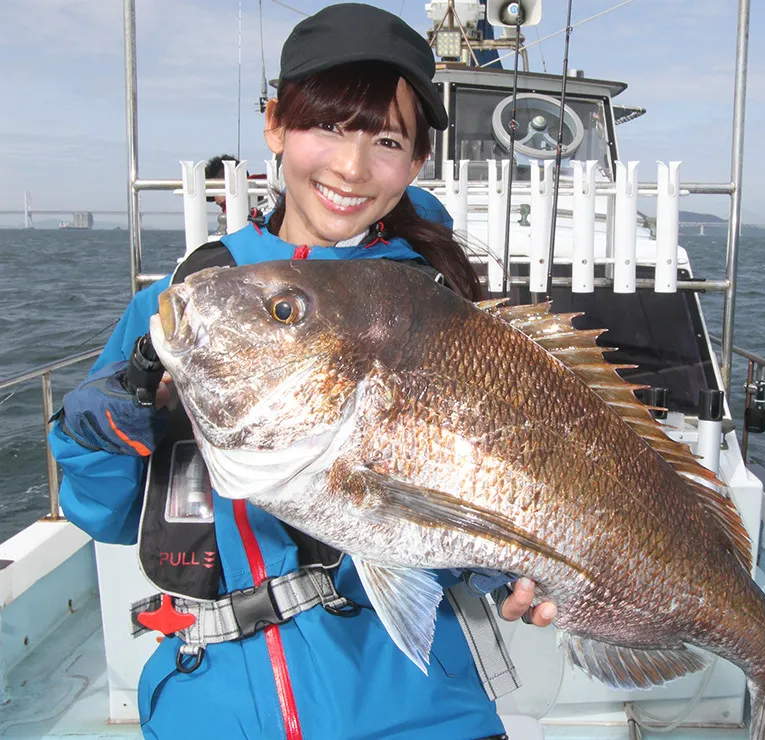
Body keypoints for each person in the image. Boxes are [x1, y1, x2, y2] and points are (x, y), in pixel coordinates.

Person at [49, 4, 555, 739]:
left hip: (419, 707)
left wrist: (501, 563)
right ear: (275, 126)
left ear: (415, 163)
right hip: (212, 707)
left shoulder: (442, 310)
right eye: (327, 126)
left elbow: (498, 500)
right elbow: (106, 515)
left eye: (387, 140)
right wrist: (93, 434)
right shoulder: (189, 299)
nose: (352, 168)